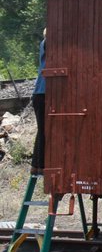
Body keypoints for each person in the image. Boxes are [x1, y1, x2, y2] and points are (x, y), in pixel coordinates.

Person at [31, 30, 46, 175]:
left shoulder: (44, 44)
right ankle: (39, 165)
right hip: (42, 93)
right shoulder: (46, 43)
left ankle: (37, 165)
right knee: (44, 130)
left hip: (41, 94)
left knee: (43, 130)